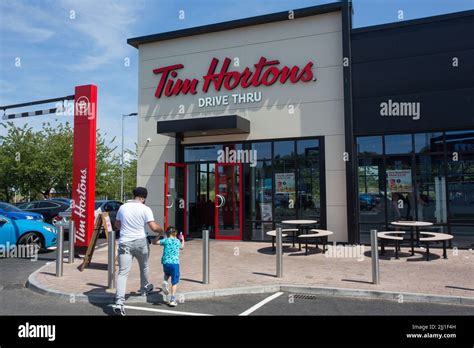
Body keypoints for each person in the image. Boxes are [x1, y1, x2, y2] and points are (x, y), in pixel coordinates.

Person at [113, 187, 163, 316]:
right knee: (144, 266)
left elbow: (117, 225)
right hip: (140, 242)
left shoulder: (123, 207)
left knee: (123, 273)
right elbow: (153, 226)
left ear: (134, 195)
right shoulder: (145, 209)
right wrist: (161, 230)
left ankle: (119, 303)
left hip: (125, 242)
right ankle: (144, 289)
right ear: (143, 198)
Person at [153, 225, 184, 307]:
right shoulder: (177, 241)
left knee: (167, 274)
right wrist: (183, 239)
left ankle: (165, 281)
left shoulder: (165, 240)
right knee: (174, 282)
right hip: (174, 263)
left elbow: (154, 242)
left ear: (167, 233)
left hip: (165, 262)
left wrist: (159, 235)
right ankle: (172, 299)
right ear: (175, 233)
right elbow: (182, 247)